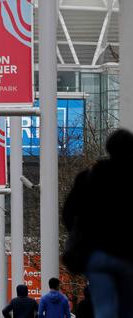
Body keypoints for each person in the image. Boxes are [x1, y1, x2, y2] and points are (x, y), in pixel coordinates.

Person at [63, 129, 133, 318]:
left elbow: (68, 214)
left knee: (105, 310)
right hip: (128, 254)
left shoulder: (89, 177)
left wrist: (80, 236)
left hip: (97, 254)